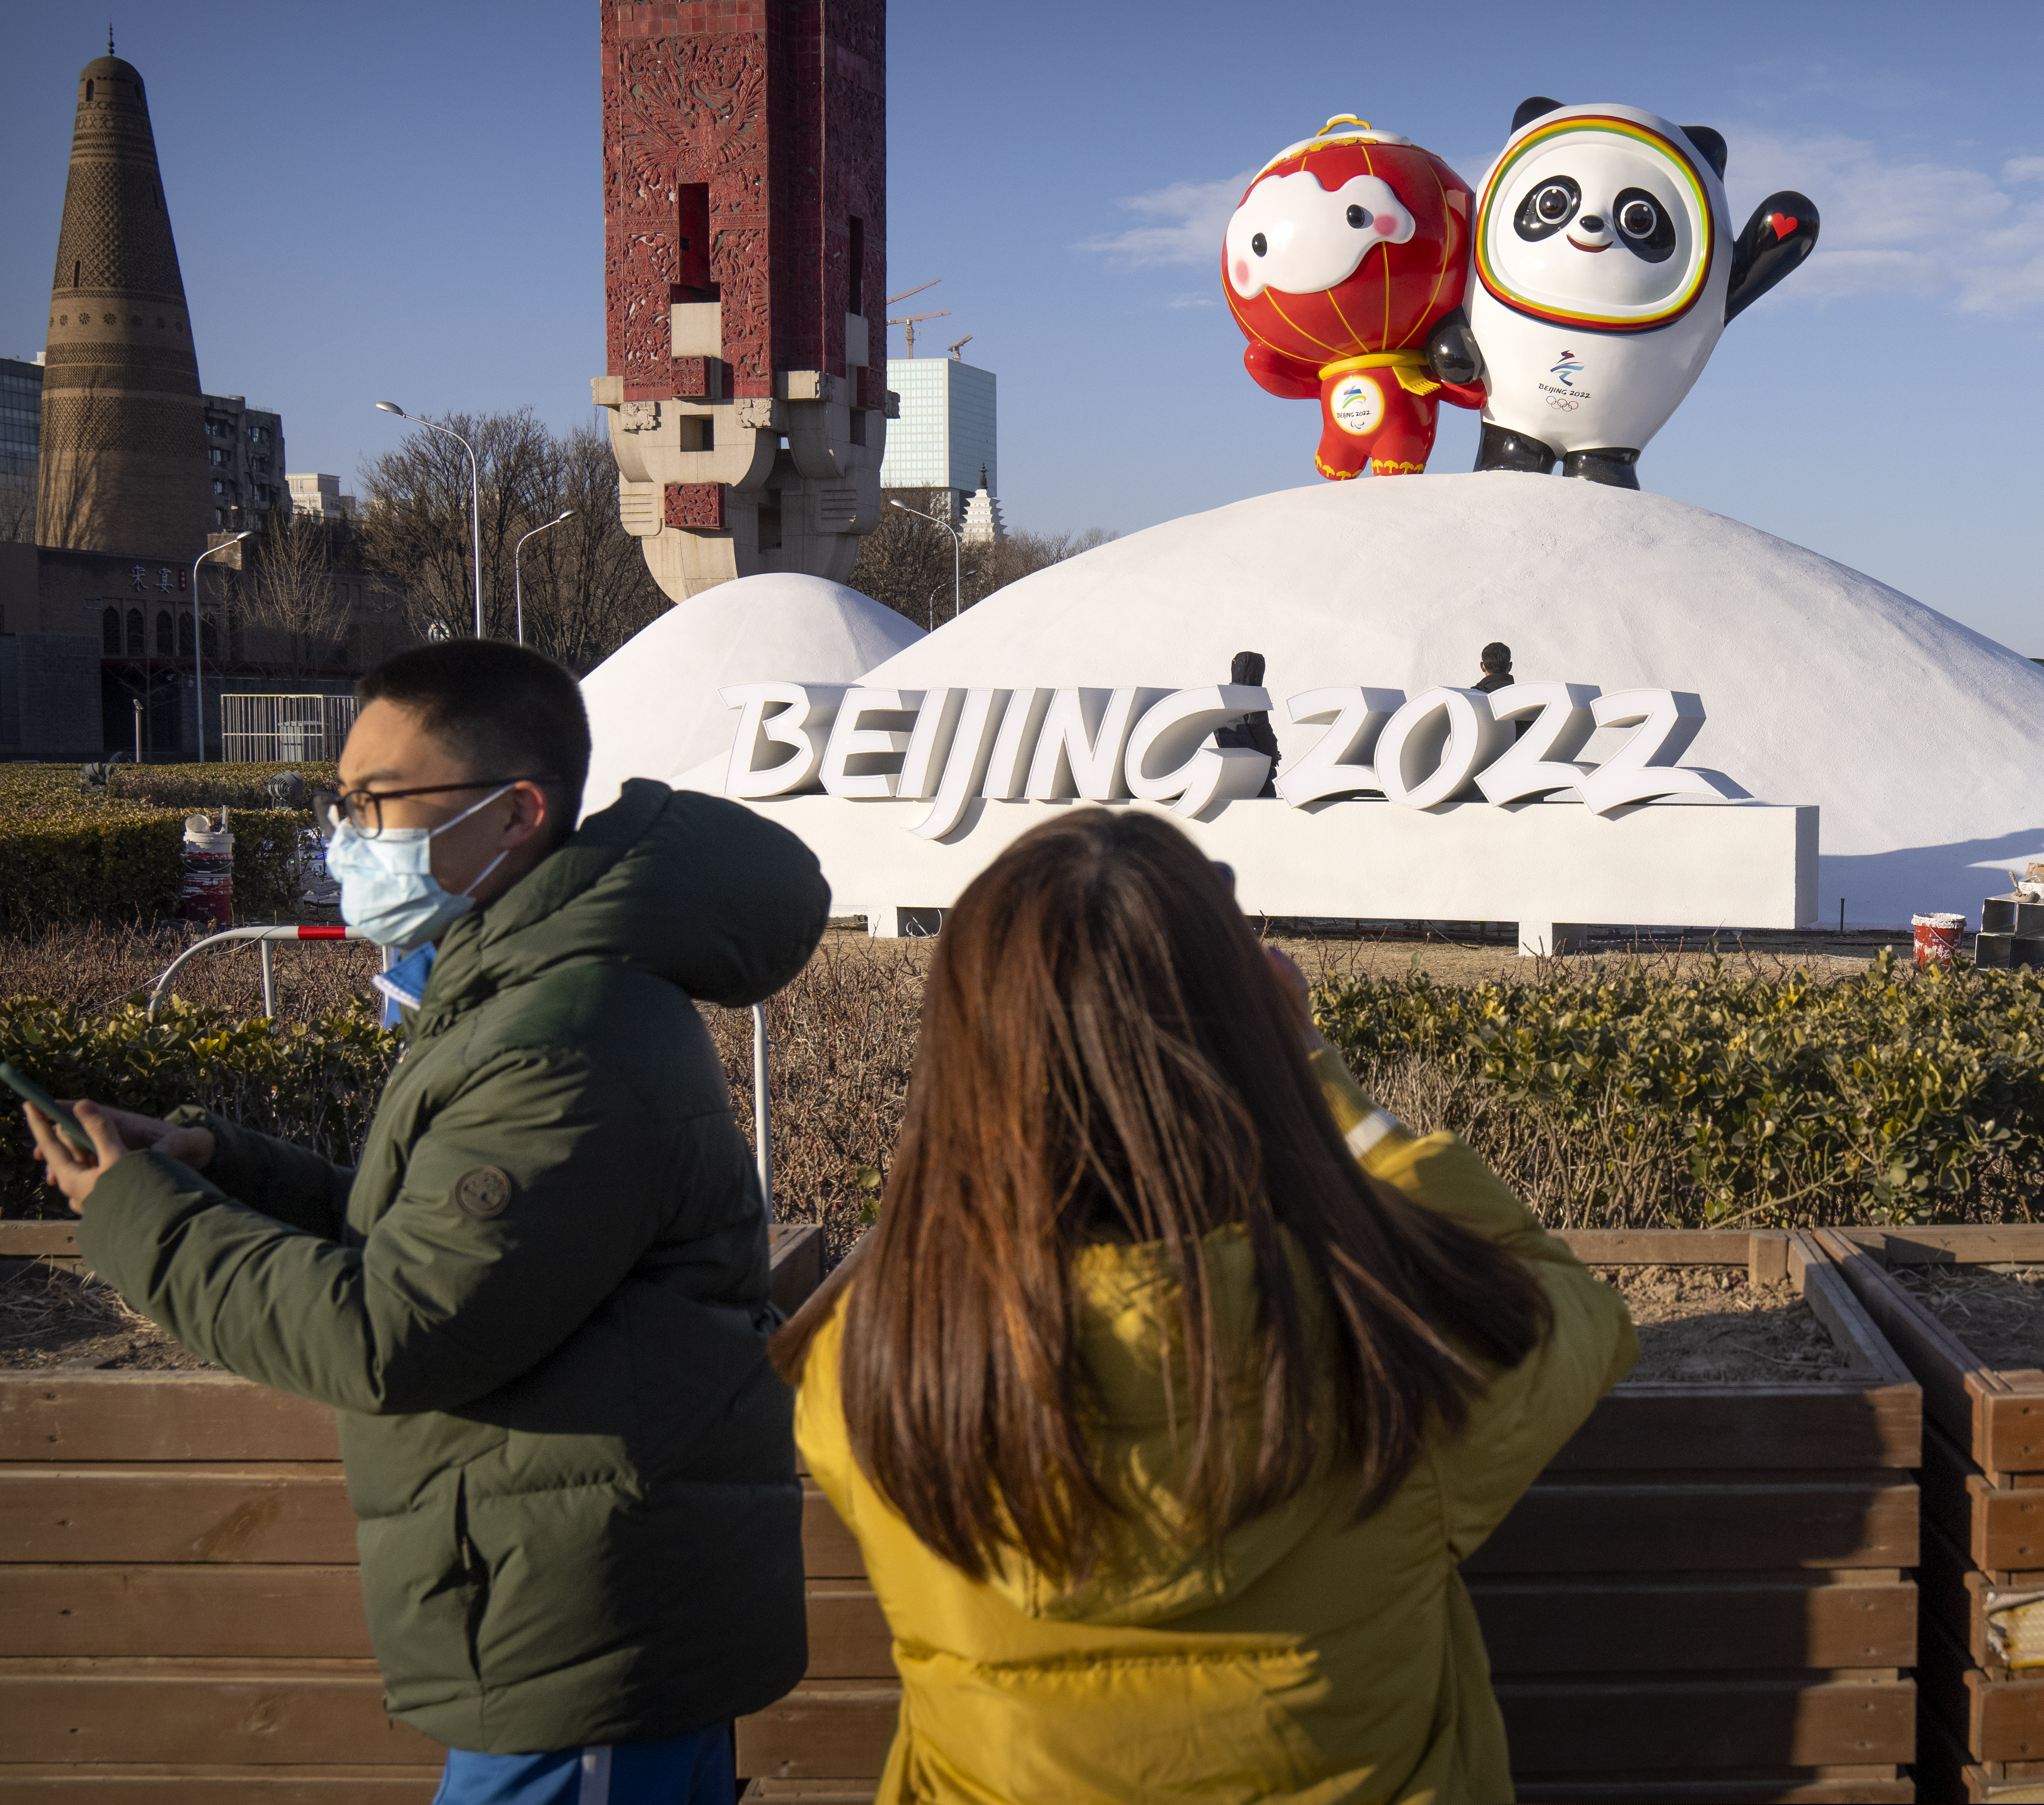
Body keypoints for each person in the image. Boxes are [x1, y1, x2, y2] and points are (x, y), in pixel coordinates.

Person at [20, 640, 828, 1804]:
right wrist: (220, 1166)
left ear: (517, 813)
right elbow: (443, 1232)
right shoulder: (525, 986)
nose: (347, 831)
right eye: (341, 800)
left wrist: (144, 1218)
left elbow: (393, 1332)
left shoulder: (563, 1038)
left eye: (376, 800)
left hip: (582, 1635)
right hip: (563, 1605)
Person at [773, 810, 1638, 1803]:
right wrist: (1320, 1083)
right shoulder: (1391, 1341)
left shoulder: (866, 1375)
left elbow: (952, 1226)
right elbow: (1572, 1305)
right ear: (1247, 1038)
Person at [1211, 649, 1281, 797]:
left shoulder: (1221, 699)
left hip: (1230, 769)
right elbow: (1263, 734)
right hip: (1258, 769)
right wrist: (1274, 754)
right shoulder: (1253, 698)